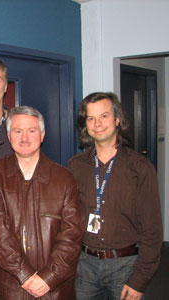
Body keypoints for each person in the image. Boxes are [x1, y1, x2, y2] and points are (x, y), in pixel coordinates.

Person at [0, 106, 83, 300]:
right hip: (7, 287)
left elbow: (72, 236)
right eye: (18, 131)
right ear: (9, 136)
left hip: (54, 290)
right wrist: (24, 275)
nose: (24, 138)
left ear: (42, 135)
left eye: (32, 131)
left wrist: (48, 278)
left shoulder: (64, 178)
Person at [68, 92, 163, 300]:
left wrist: (140, 280)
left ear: (117, 119)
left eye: (104, 116)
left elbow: (152, 230)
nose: (97, 124)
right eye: (90, 118)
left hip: (126, 266)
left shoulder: (140, 168)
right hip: (84, 266)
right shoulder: (76, 165)